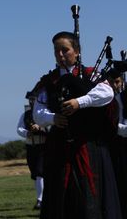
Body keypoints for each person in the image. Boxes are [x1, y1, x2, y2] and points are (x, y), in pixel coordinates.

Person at [32, 31, 122, 218]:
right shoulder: (49, 81)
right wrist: (53, 118)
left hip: (88, 147)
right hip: (59, 147)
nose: (60, 55)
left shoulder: (91, 74)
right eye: (57, 51)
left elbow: (107, 94)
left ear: (77, 51)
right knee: (60, 198)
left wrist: (79, 102)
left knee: (89, 197)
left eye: (65, 50)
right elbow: (38, 113)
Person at [16, 91, 46, 210]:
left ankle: (40, 200)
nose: (31, 101)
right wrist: (27, 133)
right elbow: (19, 128)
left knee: (40, 172)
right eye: (30, 99)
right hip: (31, 147)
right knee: (35, 173)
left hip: (43, 146)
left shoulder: (44, 112)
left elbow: (50, 125)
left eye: (34, 99)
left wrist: (40, 128)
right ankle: (42, 197)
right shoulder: (26, 114)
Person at [106, 68, 127, 219]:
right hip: (116, 148)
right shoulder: (111, 100)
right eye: (112, 81)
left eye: (117, 81)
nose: (114, 85)